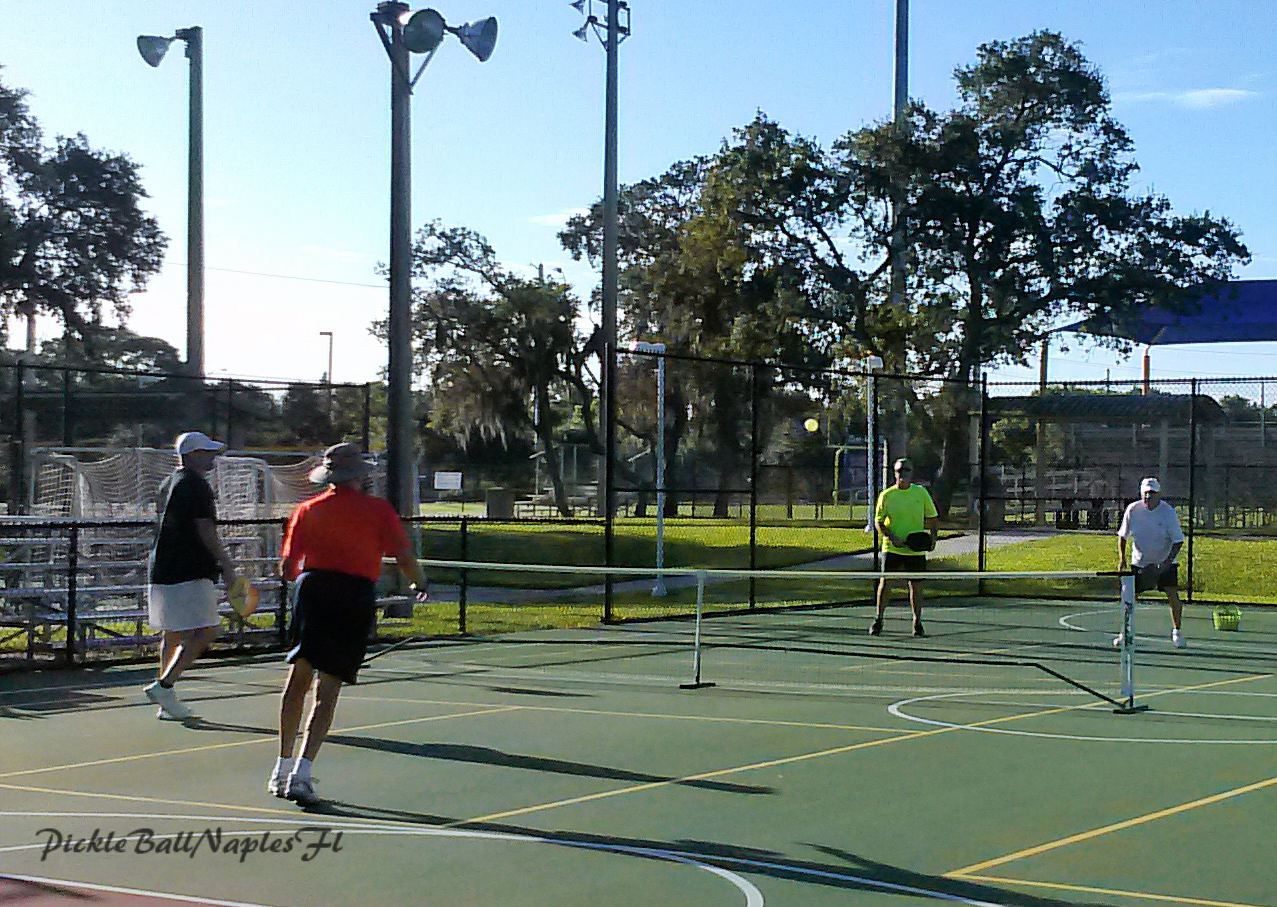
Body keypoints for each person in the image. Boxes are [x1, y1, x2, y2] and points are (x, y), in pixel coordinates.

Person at [271, 443, 430, 805]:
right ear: (359, 475)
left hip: (312, 591)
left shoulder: (308, 509)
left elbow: (288, 567)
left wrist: (305, 579)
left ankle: (281, 768)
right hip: (352, 595)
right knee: (328, 689)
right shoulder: (378, 511)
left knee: (298, 679)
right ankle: (301, 774)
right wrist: (420, 582)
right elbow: (405, 557)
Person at [144, 431, 238, 720]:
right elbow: (205, 528)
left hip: (162, 567)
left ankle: (166, 702)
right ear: (193, 454)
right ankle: (165, 686)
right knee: (207, 630)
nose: (213, 458)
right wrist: (227, 564)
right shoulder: (195, 484)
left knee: (172, 632)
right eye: (207, 452)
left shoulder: (168, 483)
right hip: (190, 569)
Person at [870, 457, 938, 637]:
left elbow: (932, 518)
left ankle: (917, 622)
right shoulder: (887, 495)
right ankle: (878, 619)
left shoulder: (920, 493)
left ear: (912, 472)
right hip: (892, 549)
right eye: (900, 470)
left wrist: (933, 539)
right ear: (895, 473)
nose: (903, 474)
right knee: (886, 584)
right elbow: (878, 522)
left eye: (906, 470)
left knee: (916, 586)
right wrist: (892, 537)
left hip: (915, 551)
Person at [1117, 476, 1187, 648]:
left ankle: (1177, 633)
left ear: (1159, 495)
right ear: (1141, 494)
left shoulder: (1168, 513)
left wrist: (1167, 562)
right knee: (1129, 598)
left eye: (1152, 493)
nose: (1148, 497)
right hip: (1139, 563)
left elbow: (1178, 540)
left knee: (1173, 596)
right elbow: (1122, 536)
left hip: (1165, 563)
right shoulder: (1132, 510)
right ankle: (1125, 633)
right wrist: (1122, 558)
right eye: (1146, 493)